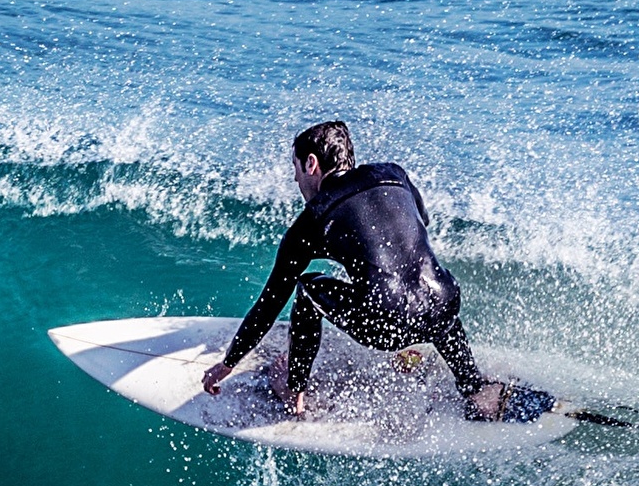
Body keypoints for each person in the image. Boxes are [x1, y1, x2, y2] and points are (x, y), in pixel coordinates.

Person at [200, 121, 509, 420]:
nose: (296, 181)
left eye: (295, 169)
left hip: (387, 324)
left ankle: (294, 390)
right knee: (426, 284)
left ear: (311, 163)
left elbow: (269, 304)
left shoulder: (315, 217)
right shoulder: (394, 174)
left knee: (308, 288)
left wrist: (228, 363)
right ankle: (475, 389)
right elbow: (422, 220)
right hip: (445, 306)